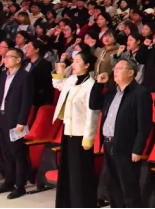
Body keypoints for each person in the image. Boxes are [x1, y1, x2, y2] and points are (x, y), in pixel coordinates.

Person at [89, 58, 153, 208]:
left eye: (119, 69)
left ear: (130, 73)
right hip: (108, 143)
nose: (115, 71)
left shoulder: (140, 93)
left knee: (128, 188)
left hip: (127, 147)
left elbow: (144, 125)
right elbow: (94, 104)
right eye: (115, 69)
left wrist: (138, 149)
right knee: (112, 186)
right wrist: (99, 84)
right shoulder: (112, 91)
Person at [51, 50, 101, 207]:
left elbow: (92, 114)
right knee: (67, 171)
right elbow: (58, 85)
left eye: (78, 61)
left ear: (87, 65)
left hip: (81, 135)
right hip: (68, 132)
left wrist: (89, 138)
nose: (74, 64)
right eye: (74, 61)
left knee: (79, 174)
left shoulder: (91, 85)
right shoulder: (72, 79)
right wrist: (59, 72)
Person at [0, 48, 33, 199]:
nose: (5, 59)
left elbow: (26, 101)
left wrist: (21, 121)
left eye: (9, 56)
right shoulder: (2, 76)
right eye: (5, 57)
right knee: (6, 152)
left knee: (17, 153)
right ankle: (9, 182)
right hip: (1, 117)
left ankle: (20, 185)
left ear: (18, 60)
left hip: (15, 120)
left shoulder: (25, 76)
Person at [24, 39, 54, 107]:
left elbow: (47, 84)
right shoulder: (25, 62)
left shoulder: (45, 64)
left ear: (36, 49)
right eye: (26, 47)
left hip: (37, 98)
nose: (26, 49)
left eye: (29, 47)